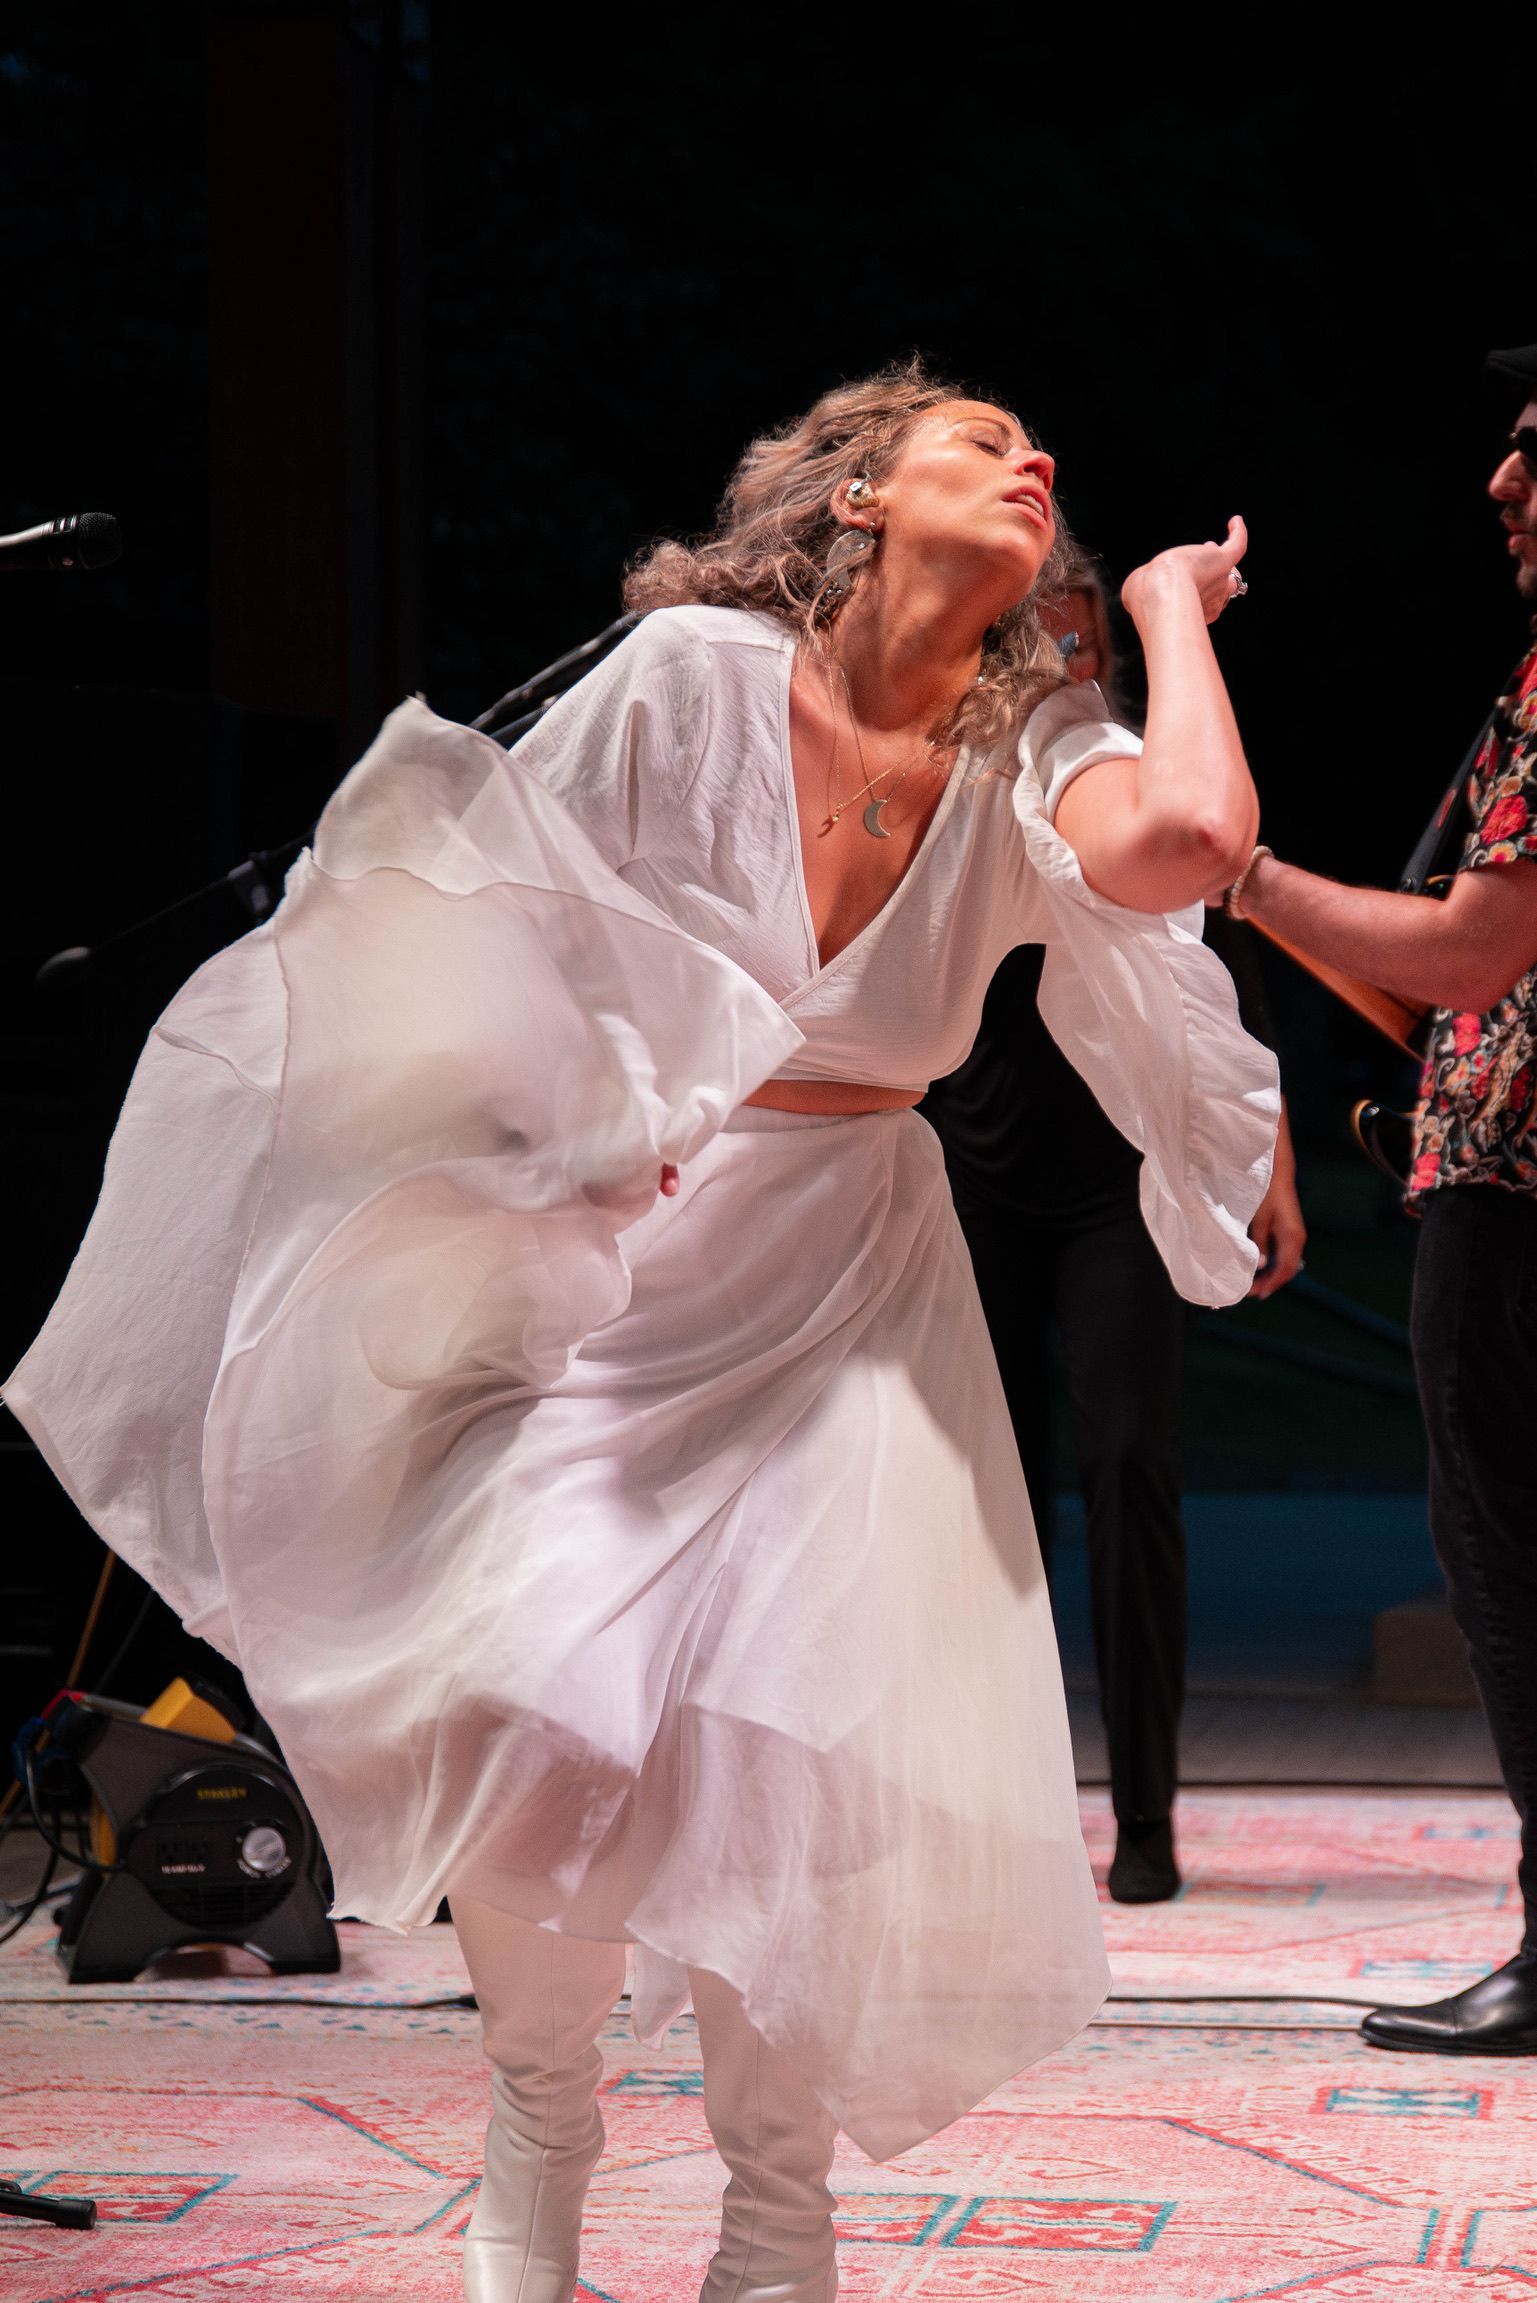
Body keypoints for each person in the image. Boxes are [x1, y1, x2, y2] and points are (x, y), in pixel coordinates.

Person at [5, 362, 1278, 2300]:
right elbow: (493, 927)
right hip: (638, 1275)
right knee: (542, 1705)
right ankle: (540, 2116)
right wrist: (576, 1144)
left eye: (1044, 457)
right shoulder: (688, 678)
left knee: (795, 1755)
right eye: (974, 439)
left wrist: (1172, 613)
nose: (1033, 461)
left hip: (857, 1298)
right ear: (855, 497)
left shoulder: (1038, 738)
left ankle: (775, 2220)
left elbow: (1190, 843)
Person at [1230, 342, 1537, 2056]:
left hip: (1521, 1206)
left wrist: (1249, 875)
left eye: (1531, 453)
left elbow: (1473, 947)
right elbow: (1438, 997)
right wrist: (1259, 909)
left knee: (1508, 1564)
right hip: (1492, 1175)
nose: (1498, 484)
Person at [923, 560, 1306, 1905]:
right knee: (984, 1494)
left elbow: (1215, 971)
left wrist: (1271, 1165)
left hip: (1115, 1180)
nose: (1062, 626)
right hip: (968, 1164)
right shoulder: (952, 764)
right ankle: (1001, 1810)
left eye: (1080, 605)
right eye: (1042, 609)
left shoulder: (1124, 767)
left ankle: (1144, 1815)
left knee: (1132, 1464)